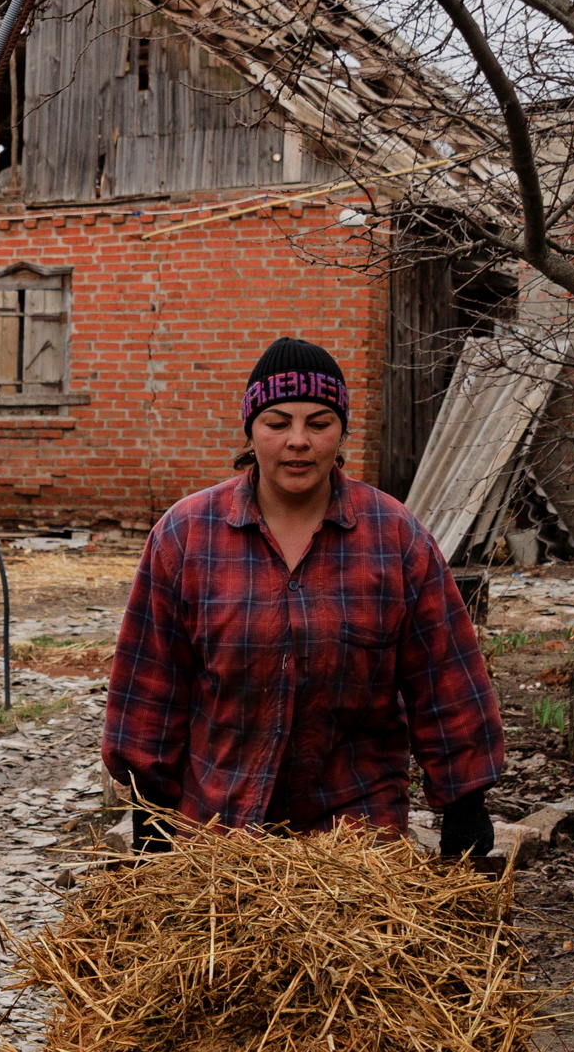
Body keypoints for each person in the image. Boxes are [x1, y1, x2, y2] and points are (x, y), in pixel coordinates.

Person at [101, 335, 506, 863]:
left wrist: (465, 802)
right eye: (277, 423)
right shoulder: (186, 535)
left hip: (357, 843)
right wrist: (150, 811)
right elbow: (150, 682)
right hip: (220, 832)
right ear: (250, 430)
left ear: (342, 433)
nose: (299, 441)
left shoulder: (395, 537)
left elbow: (445, 677)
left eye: (319, 423)